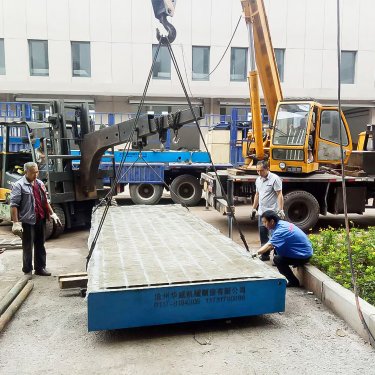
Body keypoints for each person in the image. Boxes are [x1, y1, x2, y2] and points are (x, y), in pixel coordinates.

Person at [10, 162, 61, 277]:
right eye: (33, 173)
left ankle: (40, 268)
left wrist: (52, 214)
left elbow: (45, 201)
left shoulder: (40, 183)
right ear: (26, 172)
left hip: (40, 219)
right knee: (28, 246)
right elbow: (14, 205)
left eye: (37, 172)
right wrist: (16, 222)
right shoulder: (19, 185)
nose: (36, 175)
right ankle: (27, 270)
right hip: (28, 221)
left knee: (40, 245)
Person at [256, 210, 313, 287]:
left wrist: (255, 254)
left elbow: (269, 245)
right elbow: (271, 245)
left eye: (265, 222)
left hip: (303, 256)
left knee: (277, 259)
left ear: (272, 221)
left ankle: (293, 282)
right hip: (304, 252)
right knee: (276, 249)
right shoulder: (282, 224)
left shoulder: (281, 230)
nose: (264, 224)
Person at [251, 160, 284, 261]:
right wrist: (253, 208)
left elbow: (279, 194)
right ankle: (265, 255)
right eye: (257, 171)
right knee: (263, 234)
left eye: (261, 170)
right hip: (262, 212)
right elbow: (257, 195)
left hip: (272, 213)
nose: (259, 173)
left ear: (267, 169)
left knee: (275, 235)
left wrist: (281, 210)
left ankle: (277, 257)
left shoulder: (275, 179)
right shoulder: (258, 180)